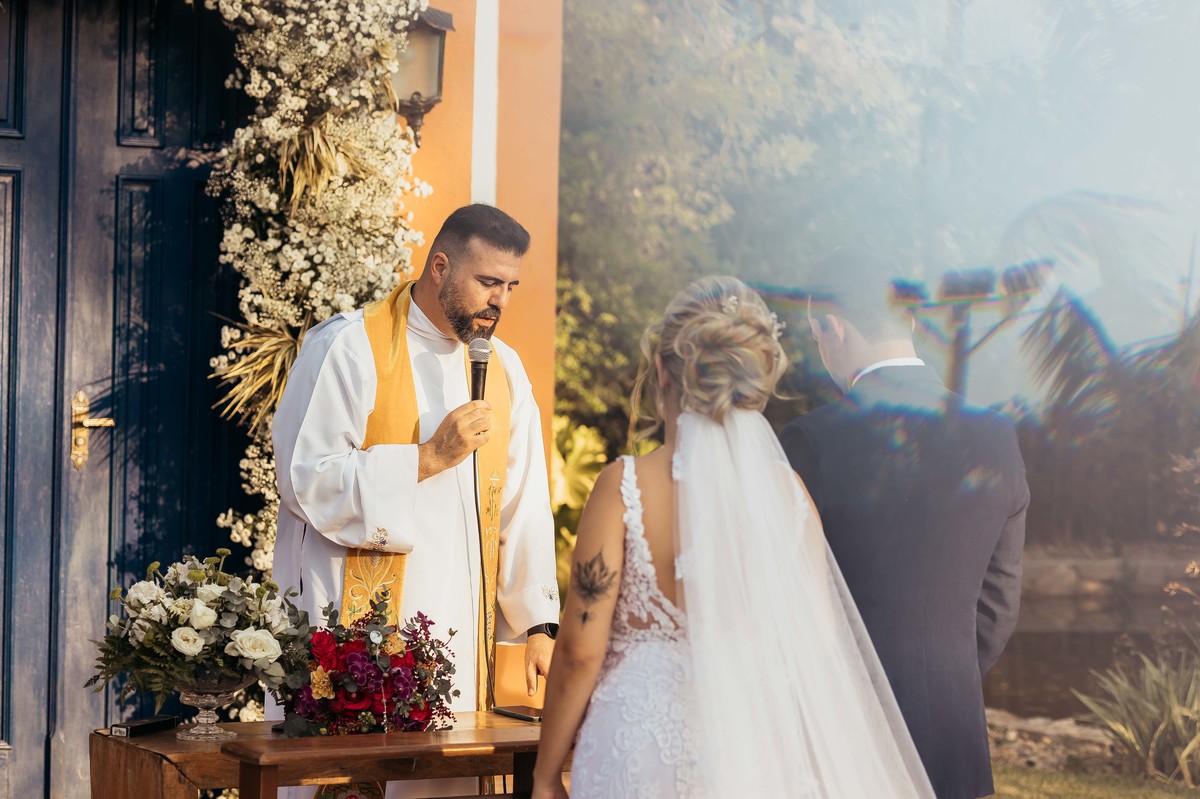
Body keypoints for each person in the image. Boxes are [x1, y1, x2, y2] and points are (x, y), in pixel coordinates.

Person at [533, 276, 935, 798]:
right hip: (753, 750)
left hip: (637, 749)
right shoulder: (789, 498)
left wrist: (545, 776)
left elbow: (580, 650)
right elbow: (815, 646)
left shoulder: (624, 486)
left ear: (661, 370)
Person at [271, 203, 561, 798]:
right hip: (361, 636)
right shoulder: (349, 347)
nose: (499, 300)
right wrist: (428, 458)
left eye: (510, 286)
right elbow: (305, 480)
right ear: (440, 266)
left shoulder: (504, 369)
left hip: (459, 636)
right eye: (487, 282)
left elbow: (526, 501)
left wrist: (537, 622)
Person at [779, 249, 1029, 799]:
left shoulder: (810, 441)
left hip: (842, 734)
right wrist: (944, 680)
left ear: (833, 329)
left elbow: (783, 595)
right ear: (910, 321)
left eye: (816, 337)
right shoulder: (995, 435)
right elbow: (998, 604)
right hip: (952, 739)